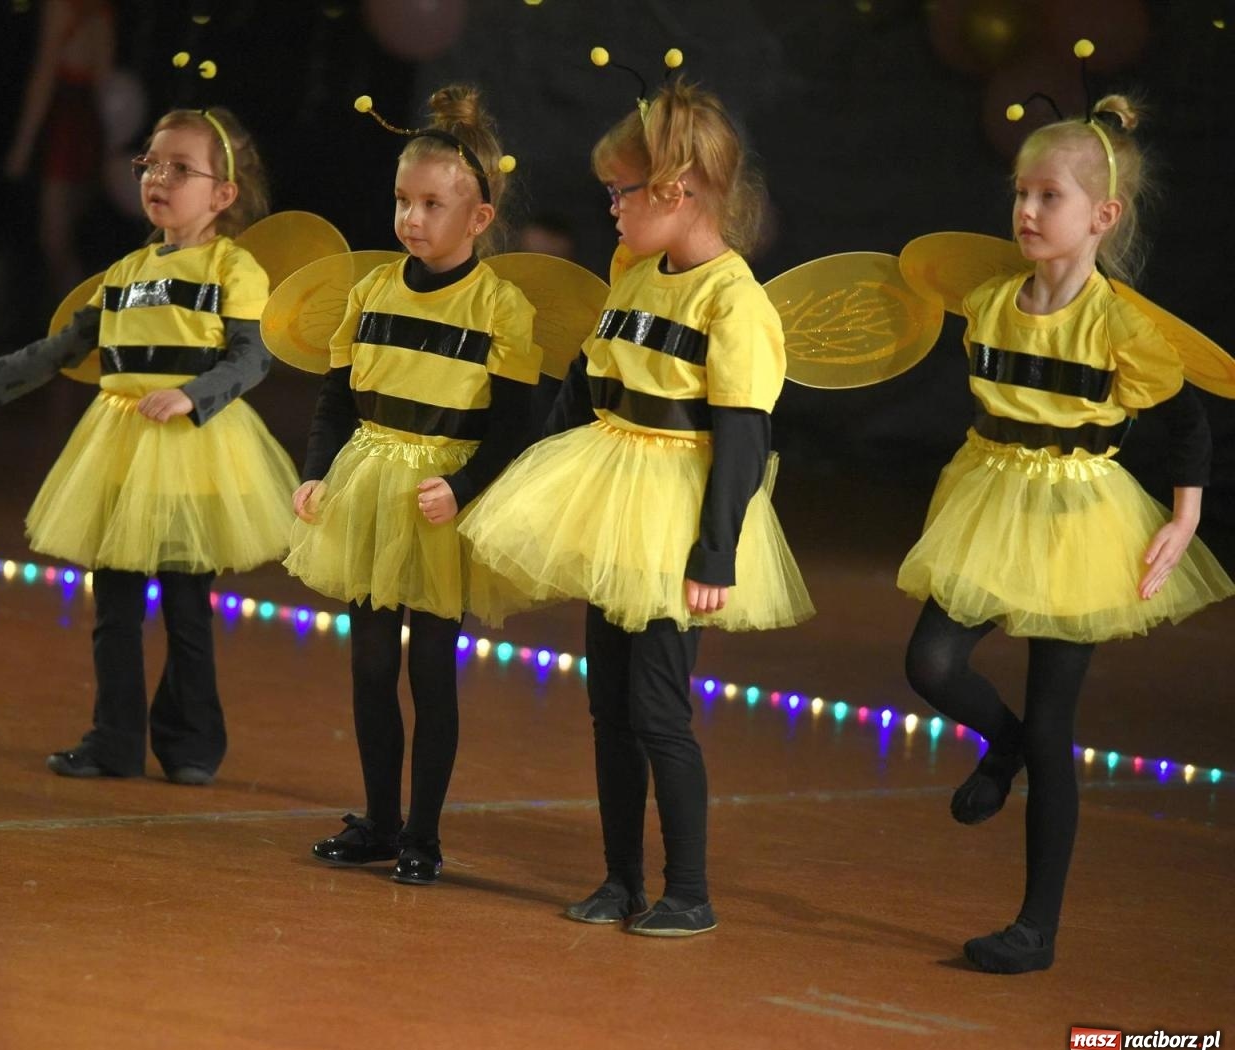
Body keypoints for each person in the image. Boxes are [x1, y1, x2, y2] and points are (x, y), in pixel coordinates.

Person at [459, 77, 813, 934]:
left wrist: (715, 552)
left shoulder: (735, 302)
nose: (610, 209)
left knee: (658, 710)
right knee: (608, 708)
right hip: (610, 493)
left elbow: (744, 439)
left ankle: (688, 891)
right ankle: (619, 880)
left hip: (673, 518)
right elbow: (587, 384)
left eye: (621, 192)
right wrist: (530, 477)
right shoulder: (633, 272)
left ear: (675, 191)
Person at [898, 91, 1234, 973]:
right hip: (990, 498)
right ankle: (1000, 741)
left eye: (1050, 196)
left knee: (1054, 724)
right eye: (1021, 192)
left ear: (1102, 217)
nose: (1027, 210)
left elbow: (1187, 425)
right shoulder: (989, 302)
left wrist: (1186, 515)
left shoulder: (1121, 326)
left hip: (1082, 517)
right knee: (931, 664)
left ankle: (1034, 929)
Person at [0, 106, 295, 786]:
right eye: (150, 164)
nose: (158, 178)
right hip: (118, 448)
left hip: (193, 451)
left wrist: (192, 396)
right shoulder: (125, 272)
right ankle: (113, 740)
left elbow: (252, 357)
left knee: (186, 607)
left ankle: (192, 743)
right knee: (114, 609)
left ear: (223, 194)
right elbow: (66, 347)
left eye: (180, 168)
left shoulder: (233, 268)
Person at [289, 86, 540, 885]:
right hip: (369, 490)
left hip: (440, 508)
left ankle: (423, 836)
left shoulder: (501, 309)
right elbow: (335, 400)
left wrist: (462, 488)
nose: (412, 218)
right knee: (370, 666)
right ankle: (379, 820)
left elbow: (515, 428)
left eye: (433, 204)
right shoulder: (369, 293)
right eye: (403, 200)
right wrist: (315, 472)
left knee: (432, 672)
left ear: (478, 218)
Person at [4, 0, 116, 303]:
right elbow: (105, 81)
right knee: (69, 232)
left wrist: (22, 146)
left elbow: (43, 75)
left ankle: (78, 315)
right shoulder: (102, 10)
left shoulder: (61, 7)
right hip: (88, 123)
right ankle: (77, 311)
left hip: (65, 122)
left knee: (54, 235)